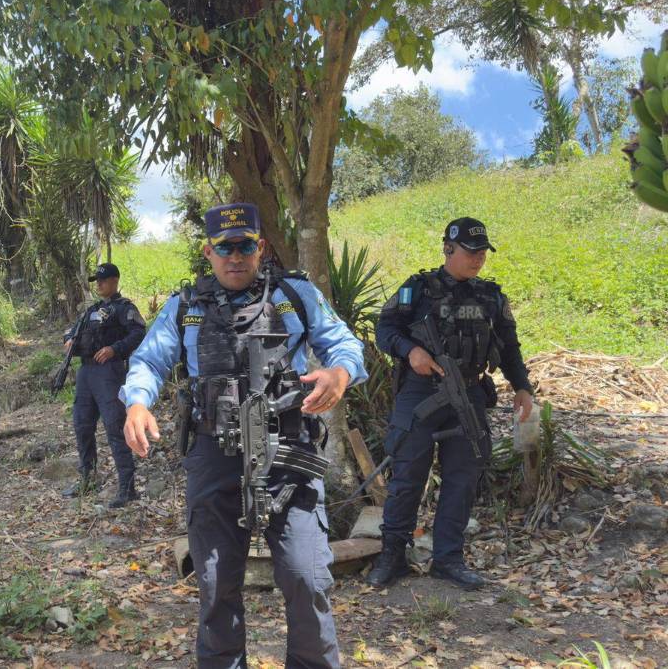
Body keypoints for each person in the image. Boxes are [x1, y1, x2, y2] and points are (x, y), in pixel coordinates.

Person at [121, 202, 367, 668]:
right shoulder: (185, 306)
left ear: (261, 247)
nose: (235, 256)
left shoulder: (296, 295)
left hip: (287, 452)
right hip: (215, 453)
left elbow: (345, 345)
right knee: (215, 581)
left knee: (306, 575)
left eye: (245, 245)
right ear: (208, 252)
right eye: (224, 247)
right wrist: (137, 402)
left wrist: (340, 373)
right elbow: (148, 361)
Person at [366, 217, 534, 591]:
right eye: (470, 252)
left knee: (462, 477)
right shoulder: (418, 289)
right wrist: (411, 351)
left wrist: (522, 386)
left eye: (482, 253)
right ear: (448, 249)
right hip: (421, 391)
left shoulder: (491, 297)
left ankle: (448, 559)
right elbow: (385, 329)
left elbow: (508, 345)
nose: (477, 259)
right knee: (407, 476)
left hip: (469, 391)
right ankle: (392, 555)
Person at [61, 263, 147, 508]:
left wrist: (114, 349)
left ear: (115, 280)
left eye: (103, 280)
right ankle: (88, 479)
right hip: (87, 373)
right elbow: (71, 332)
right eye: (96, 281)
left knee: (115, 427)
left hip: (109, 372)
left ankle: (127, 487)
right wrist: (68, 341)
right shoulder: (91, 311)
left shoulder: (124, 308)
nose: (98, 284)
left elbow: (139, 332)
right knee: (82, 425)